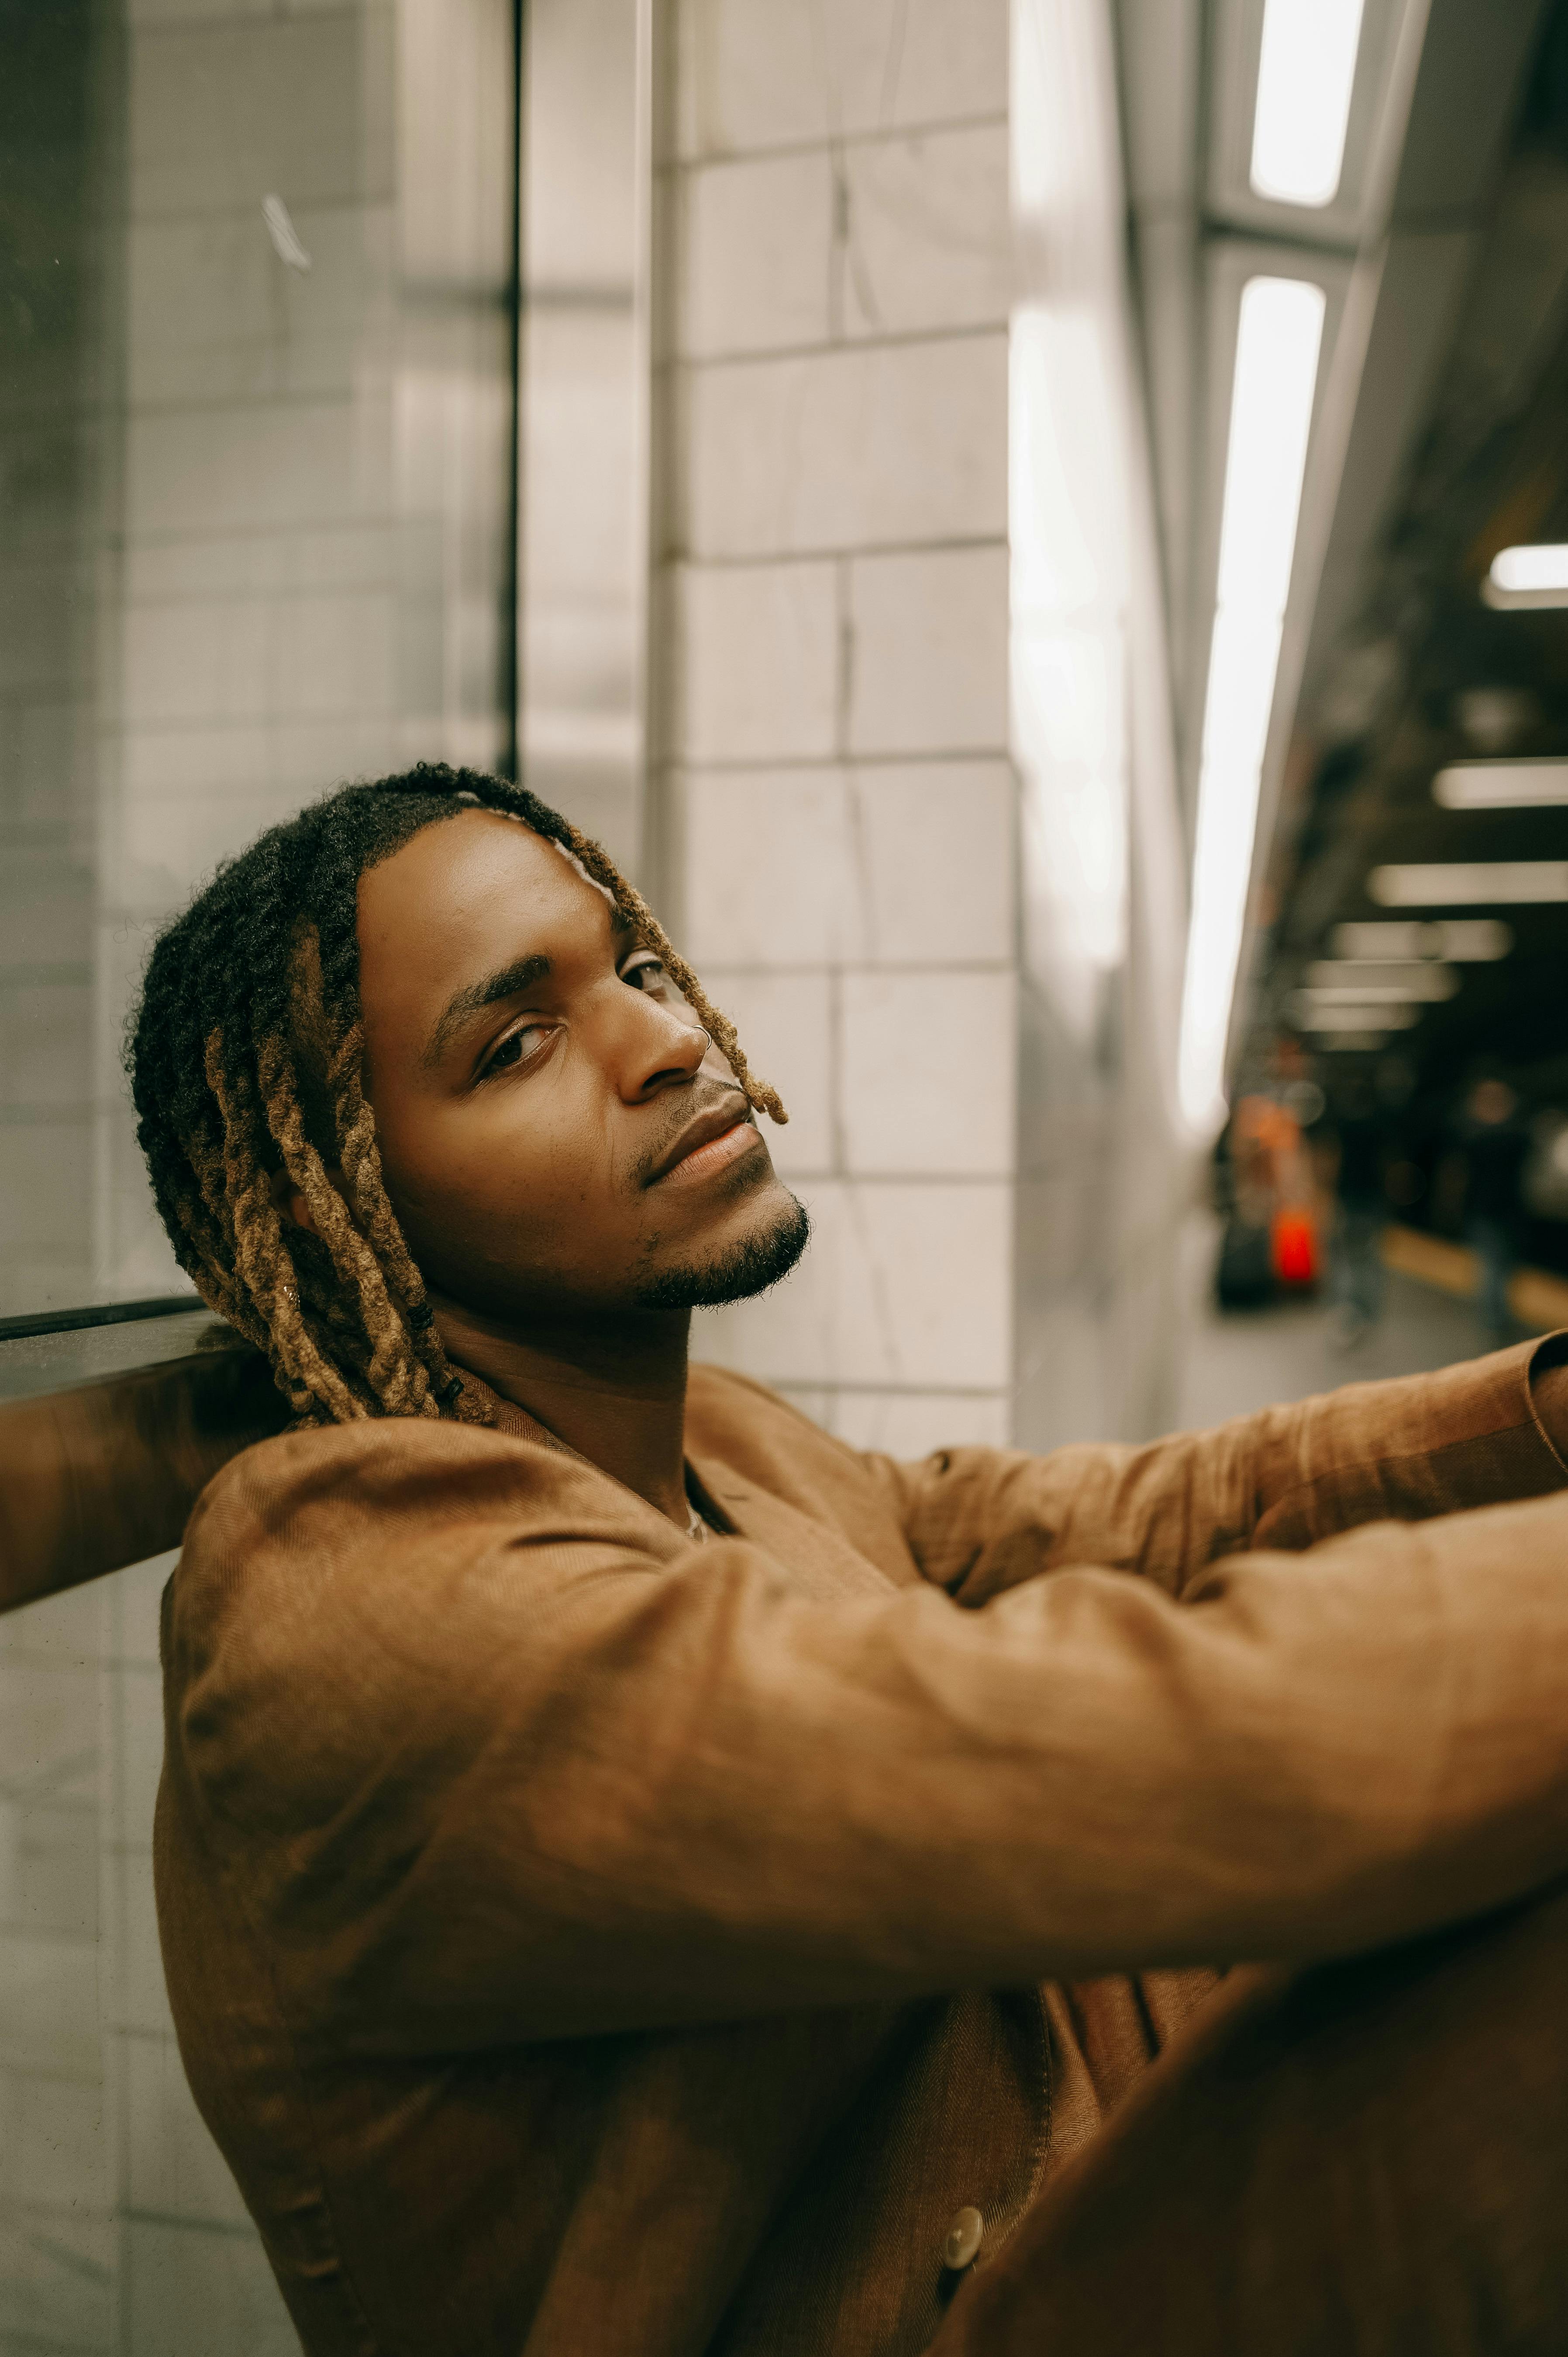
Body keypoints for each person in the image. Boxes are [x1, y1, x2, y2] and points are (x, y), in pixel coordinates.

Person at [130, 765, 1568, 2356]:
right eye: (516, 1041)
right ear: (344, 1204)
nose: (665, 1038)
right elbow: (1063, 1744)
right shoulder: (333, 1601)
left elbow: (1109, 1521)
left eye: (639, 968)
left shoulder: (703, 1440)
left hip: (1097, 2111)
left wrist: (1542, 1418)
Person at [1455, 1073, 1530, 1346]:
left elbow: (1459, 1175)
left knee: (1492, 1267)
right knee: (1501, 1267)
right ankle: (1498, 1321)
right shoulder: (1518, 1135)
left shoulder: (1473, 1136)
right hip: (1509, 1211)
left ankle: (1495, 1322)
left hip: (1485, 1211)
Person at [1327, 1072, 1388, 1347]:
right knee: (1370, 1257)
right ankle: (1370, 1312)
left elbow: (1333, 1160)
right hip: (1373, 1198)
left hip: (1349, 1198)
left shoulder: (1344, 1124)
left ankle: (1350, 1311)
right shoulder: (1379, 1125)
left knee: (1347, 1257)